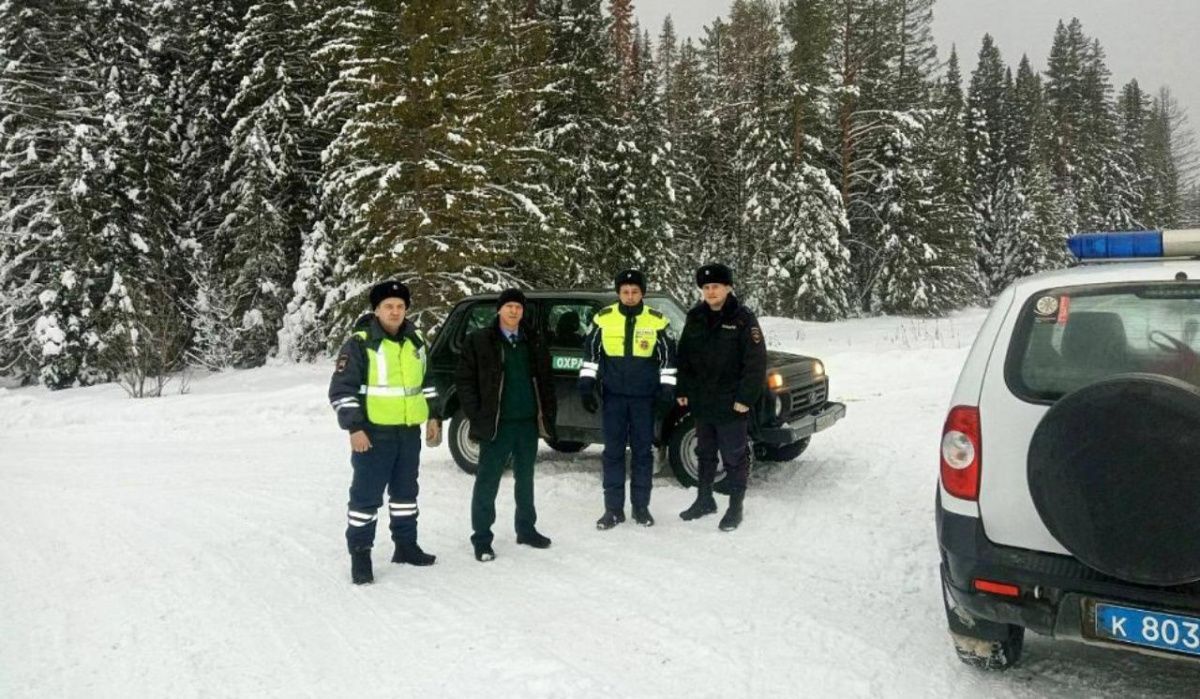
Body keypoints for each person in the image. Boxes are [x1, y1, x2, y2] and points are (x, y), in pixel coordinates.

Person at [328, 280, 442, 585]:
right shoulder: (360, 343)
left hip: (408, 433)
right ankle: (361, 555)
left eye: (400, 306)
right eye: (388, 306)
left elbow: (427, 382)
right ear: (376, 310)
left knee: (405, 494)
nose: (395, 311)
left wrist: (434, 414)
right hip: (373, 434)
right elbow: (341, 390)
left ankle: (405, 547)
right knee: (365, 497)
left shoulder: (416, 340)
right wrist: (354, 427)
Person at [456, 288, 557, 562]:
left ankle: (526, 529)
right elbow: (465, 382)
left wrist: (548, 415)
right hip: (497, 425)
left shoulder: (532, 341)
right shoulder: (479, 341)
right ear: (499, 309)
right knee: (488, 481)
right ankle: (482, 538)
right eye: (509, 306)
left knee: (526, 479)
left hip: (526, 424)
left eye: (519, 307)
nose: (514, 311)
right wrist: (477, 416)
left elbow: (546, 381)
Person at [578, 269, 675, 529]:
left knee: (643, 454)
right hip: (614, 399)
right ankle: (613, 509)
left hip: (644, 400)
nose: (630, 296)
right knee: (613, 453)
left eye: (635, 291)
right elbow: (591, 355)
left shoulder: (657, 321)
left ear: (642, 293)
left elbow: (668, 361)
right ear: (618, 293)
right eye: (625, 292)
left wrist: (667, 392)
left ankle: (641, 508)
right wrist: (586, 385)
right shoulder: (603, 319)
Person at [675, 264, 767, 531]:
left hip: (731, 402)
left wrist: (745, 397)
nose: (711, 291)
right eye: (706, 287)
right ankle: (704, 500)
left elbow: (755, 362)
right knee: (704, 452)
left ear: (728, 288)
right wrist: (682, 389)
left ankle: (735, 507)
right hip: (703, 400)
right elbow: (685, 356)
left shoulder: (743, 319)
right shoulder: (695, 317)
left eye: (716, 286)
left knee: (734, 457)